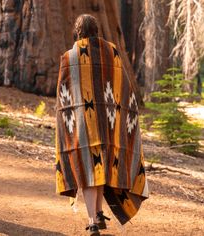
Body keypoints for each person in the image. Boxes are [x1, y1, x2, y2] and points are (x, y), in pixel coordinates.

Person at [56, 14, 148, 236]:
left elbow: (63, 97)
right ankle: (97, 213)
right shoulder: (112, 52)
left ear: (77, 31)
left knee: (89, 169)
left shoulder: (69, 57)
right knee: (101, 167)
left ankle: (92, 221)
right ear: (96, 29)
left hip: (82, 125)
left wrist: (65, 125)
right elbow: (123, 88)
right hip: (109, 124)